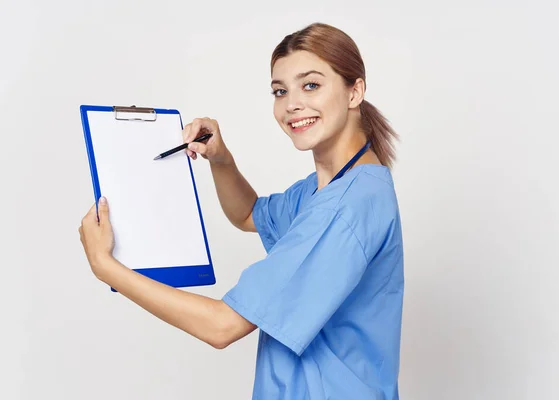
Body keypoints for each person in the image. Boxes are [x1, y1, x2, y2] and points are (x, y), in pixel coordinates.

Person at [79, 22, 404, 400]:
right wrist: (220, 158)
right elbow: (249, 214)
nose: (292, 104)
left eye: (310, 85)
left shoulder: (346, 207)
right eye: (280, 91)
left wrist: (107, 267)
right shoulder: (335, 186)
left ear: (355, 91)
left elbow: (222, 327)